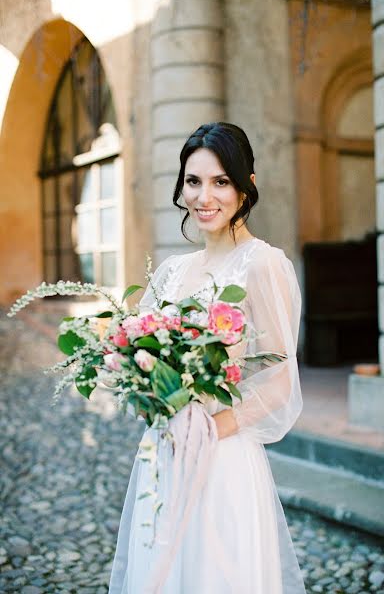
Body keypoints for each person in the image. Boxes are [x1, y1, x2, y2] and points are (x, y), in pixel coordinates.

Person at [108, 122, 307, 593]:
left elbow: (278, 382)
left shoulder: (263, 264)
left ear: (246, 185)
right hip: (164, 457)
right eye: (193, 181)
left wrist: (206, 431)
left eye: (220, 181)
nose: (204, 196)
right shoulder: (173, 272)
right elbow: (143, 359)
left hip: (223, 459)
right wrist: (149, 397)